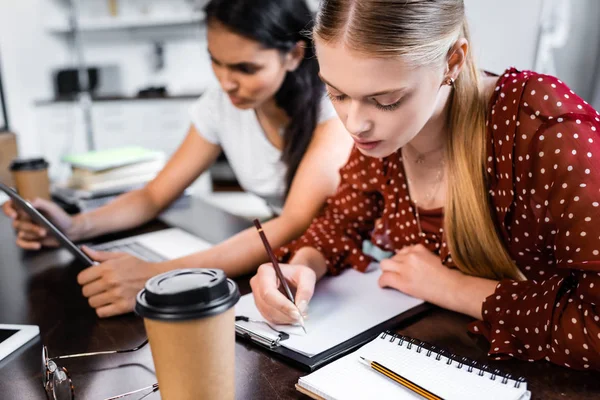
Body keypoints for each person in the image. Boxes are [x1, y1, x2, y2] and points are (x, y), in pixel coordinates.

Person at [250, 0, 600, 371]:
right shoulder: (384, 140)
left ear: (452, 62)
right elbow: (341, 221)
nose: (354, 124)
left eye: (386, 100)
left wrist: (452, 288)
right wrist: (302, 266)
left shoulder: (546, 129)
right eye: (336, 94)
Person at [2, 0, 352, 318]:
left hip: (340, 262)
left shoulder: (331, 108)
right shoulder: (220, 103)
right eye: (216, 61)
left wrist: (156, 274)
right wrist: (76, 226)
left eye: (245, 68)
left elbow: (292, 222)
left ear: (293, 54)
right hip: (286, 259)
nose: (226, 82)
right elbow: (154, 195)